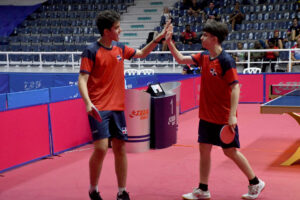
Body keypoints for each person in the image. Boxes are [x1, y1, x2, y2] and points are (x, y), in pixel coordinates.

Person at [165, 20, 265, 200]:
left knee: (230, 151)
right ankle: (203, 189)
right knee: (204, 149)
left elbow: (235, 87)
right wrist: (170, 42)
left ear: (214, 39)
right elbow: (181, 59)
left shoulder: (226, 60)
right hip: (206, 115)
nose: (201, 37)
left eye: (204, 35)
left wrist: (232, 116)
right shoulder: (204, 56)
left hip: (223, 117)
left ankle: (255, 182)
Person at [78, 10, 170, 200]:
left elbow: (142, 53)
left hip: (118, 107)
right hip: (98, 107)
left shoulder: (120, 48)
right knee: (102, 148)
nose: (120, 31)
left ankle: (122, 191)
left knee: (120, 148)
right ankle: (93, 189)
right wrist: (88, 103)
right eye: (117, 28)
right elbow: (82, 79)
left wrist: (157, 39)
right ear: (106, 31)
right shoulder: (91, 51)